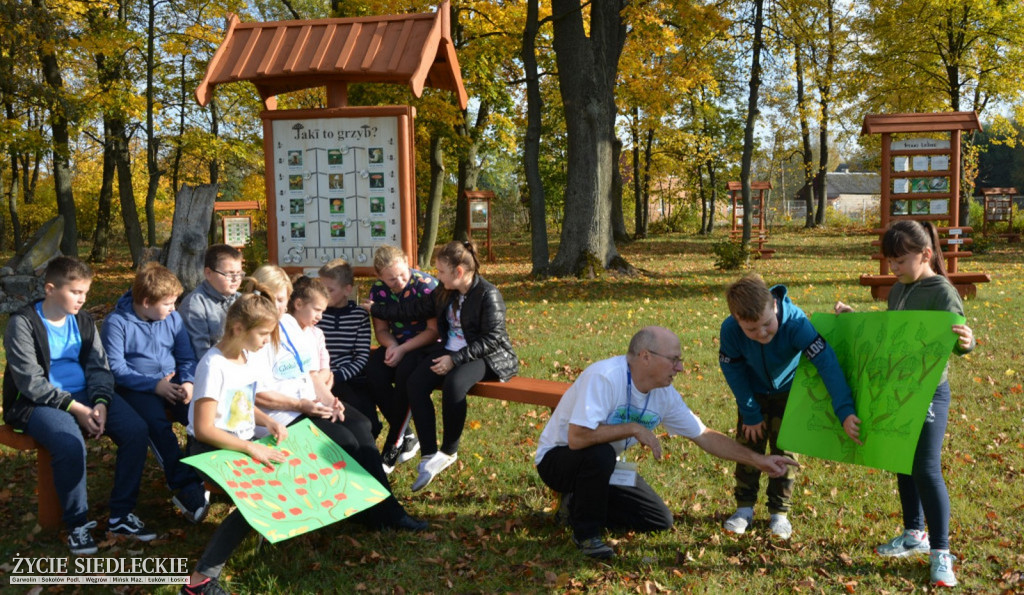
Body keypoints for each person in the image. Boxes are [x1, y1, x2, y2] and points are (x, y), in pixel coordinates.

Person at [535, 326, 799, 559]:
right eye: (674, 360)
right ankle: (586, 535)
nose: (681, 368)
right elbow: (578, 438)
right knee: (600, 454)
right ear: (646, 357)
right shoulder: (605, 377)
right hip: (558, 459)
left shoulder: (665, 394)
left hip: (603, 467)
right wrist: (632, 428)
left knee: (658, 519)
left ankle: (575, 503)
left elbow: (704, 435)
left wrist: (758, 460)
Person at [835, 220, 974, 588]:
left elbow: (959, 342)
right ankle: (915, 533)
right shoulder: (898, 290)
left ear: (925, 254)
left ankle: (941, 552)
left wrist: (968, 342)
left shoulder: (942, 292)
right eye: (890, 261)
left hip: (928, 393)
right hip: (898, 391)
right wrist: (855, 323)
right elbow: (891, 335)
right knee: (902, 460)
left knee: (926, 468)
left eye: (899, 260)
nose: (893, 268)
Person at [246, 269, 426, 526]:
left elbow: (308, 374)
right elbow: (258, 396)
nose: (282, 307)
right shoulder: (254, 335)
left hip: (308, 404)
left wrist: (329, 400)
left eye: (284, 300)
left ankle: (381, 508)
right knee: (346, 441)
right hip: (280, 416)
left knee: (362, 425)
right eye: (276, 300)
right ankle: (371, 510)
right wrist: (303, 405)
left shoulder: (288, 325)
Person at [2, 257, 155, 555]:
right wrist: (76, 408)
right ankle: (77, 524)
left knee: (136, 430)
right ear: (50, 289)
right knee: (70, 443)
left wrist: (100, 402)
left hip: (86, 396)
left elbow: (99, 367)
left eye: (85, 292)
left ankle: (121, 515)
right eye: (75, 292)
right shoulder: (22, 324)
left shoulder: (83, 321)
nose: (82, 299)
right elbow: (31, 382)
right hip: (38, 403)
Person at [366, 240, 517, 492]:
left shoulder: (488, 294)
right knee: (415, 383)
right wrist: (377, 309)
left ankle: (449, 451)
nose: (437, 276)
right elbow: (412, 309)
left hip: (487, 357)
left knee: (454, 384)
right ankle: (428, 454)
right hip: (450, 350)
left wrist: (454, 360)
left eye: (441, 272)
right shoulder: (445, 292)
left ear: (458, 272)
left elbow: (493, 339)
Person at [718, 273, 860, 540]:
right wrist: (750, 411)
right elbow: (732, 369)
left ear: (773, 304)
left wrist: (844, 410)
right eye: (751, 330)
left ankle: (779, 513)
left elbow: (826, 363)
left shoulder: (796, 322)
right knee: (749, 446)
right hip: (753, 393)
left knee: (786, 451)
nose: (761, 333)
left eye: (766, 324)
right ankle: (744, 508)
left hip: (790, 393)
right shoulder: (730, 330)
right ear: (737, 320)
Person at [181, 291, 290, 595]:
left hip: (238, 443)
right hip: (210, 449)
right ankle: (199, 581)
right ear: (240, 328)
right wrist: (250, 447)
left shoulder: (247, 356)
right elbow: (203, 429)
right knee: (254, 498)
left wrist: (267, 421)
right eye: (264, 333)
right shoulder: (213, 366)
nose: (267, 340)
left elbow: (239, 403)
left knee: (284, 476)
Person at [100, 262, 209, 523]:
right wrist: (153, 384)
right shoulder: (116, 323)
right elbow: (116, 368)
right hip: (135, 389)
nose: (173, 309)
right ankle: (185, 487)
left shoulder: (172, 319)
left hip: (174, 384)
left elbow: (186, 356)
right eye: (168, 303)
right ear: (147, 302)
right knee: (157, 427)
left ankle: (210, 473)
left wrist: (188, 382)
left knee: (202, 414)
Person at [365, 245, 439, 473]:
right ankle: (407, 435)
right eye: (391, 279)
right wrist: (392, 346)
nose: (399, 281)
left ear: (408, 263)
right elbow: (381, 330)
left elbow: (434, 331)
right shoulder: (378, 291)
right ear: (379, 277)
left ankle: (393, 442)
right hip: (396, 344)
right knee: (372, 373)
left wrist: (404, 349)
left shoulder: (426, 285)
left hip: (424, 345)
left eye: (402, 274)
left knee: (405, 374)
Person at [316, 259, 379, 436]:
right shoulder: (316, 315)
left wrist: (338, 376)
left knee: (368, 422)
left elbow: (361, 356)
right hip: (321, 379)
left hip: (349, 377)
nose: (324, 295)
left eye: (330, 290)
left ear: (347, 290)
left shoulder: (358, 315)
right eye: (322, 290)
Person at [179, 244, 244, 360]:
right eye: (229, 274)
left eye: (239, 273)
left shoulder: (241, 300)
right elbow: (202, 355)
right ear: (208, 273)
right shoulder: (195, 306)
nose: (235, 279)